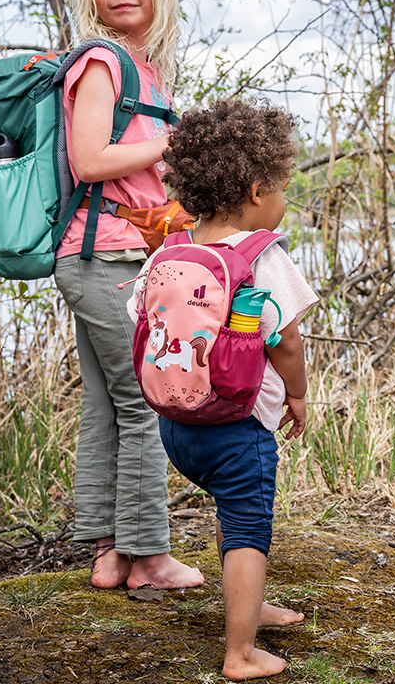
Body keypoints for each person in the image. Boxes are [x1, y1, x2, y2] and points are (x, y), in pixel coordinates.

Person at [128, 99, 319, 680]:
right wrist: (298, 392)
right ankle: (240, 653)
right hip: (238, 430)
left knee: (230, 514)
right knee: (247, 528)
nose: (284, 199)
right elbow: (284, 341)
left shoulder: (170, 251)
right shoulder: (263, 258)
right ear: (258, 191)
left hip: (176, 425)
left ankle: (249, 603)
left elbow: (140, 312)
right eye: (282, 187)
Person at [54, 0, 203, 591]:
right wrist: (168, 148)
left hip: (126, 256)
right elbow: (90, 160)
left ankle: (110, 554)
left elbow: (142, 177)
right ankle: (150, 556)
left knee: (108, 404)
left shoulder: (152, 73)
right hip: (98, 258)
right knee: (147, 400)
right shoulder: (102, 62)